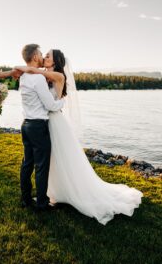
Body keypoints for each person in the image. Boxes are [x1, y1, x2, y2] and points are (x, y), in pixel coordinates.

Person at [14, 48, 143, 225]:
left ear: (56, 61)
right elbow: (35, 78)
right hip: (43, 122)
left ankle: (47, 195)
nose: (44, 57)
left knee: (52, 159)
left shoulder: (57, 76)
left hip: (52, 121)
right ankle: (46, 196)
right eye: (43, 54)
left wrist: (60, 102)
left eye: (48, 56)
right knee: (45, 161)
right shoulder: (42, 76)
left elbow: (48, 99)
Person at [0, 44, 64, 210]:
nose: (41, 56)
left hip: (26, 125)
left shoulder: (24, 76)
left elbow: (22, 70)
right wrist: (62, 102)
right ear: (34, 57)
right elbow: (50, 105)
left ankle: (26, 199)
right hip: (38, 126)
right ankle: (41, 203)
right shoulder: (38, 78)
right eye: (40, 54)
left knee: (27, 163)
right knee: (41, 166)